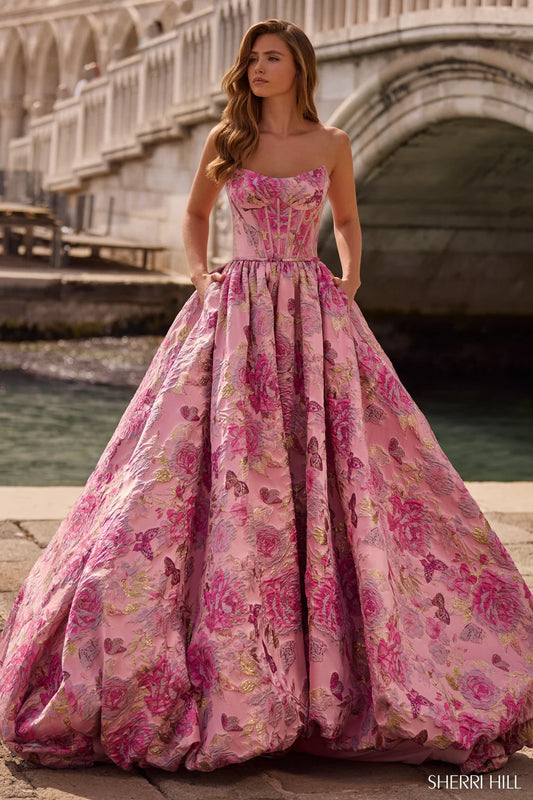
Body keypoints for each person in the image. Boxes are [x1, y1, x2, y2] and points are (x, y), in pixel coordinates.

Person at [1, 18, 532, 777]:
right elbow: (193, 217)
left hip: (312, 313)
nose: (256, 69)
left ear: (298, 69)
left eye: (271, 58)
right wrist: (198, 269)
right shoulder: (227, 140)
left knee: (350, 465)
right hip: (236, 308)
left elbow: (346, 219)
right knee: (189, 469)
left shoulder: (332, 144)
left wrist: (350, 271)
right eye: (251, 59)